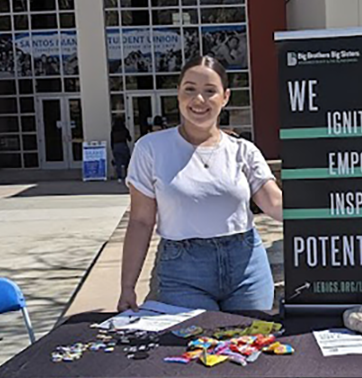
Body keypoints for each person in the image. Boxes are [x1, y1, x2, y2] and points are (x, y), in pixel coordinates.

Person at [118, 55, 282, 312]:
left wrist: (325, 208)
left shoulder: (243, 150)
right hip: (181, 273)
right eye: (190, 90)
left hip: (247, 268)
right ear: (179, 94)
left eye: (210, 91)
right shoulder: (151, 148)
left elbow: (274, 203)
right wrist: (127, 286)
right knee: (189, 349)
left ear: (225, 97)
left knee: (252, 347)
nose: (199, 100)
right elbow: (141, 221)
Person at [110, 117, 132, 181]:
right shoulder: (124, 130)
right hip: (123, 145)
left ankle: (119, 177)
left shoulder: (113, 131)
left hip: (116, 146)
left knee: (118, 162)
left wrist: (113, 148)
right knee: (127, 161)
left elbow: (112, 140)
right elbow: (129, 139)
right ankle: (126, 175)